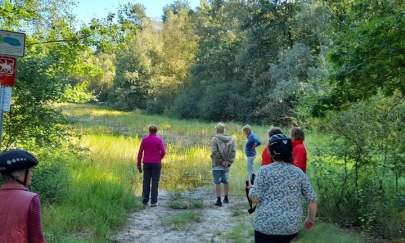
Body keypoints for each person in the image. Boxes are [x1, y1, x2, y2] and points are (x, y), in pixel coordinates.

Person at [248, 134, 318, 243]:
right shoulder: (298, 173)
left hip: (265, 225)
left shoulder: (264, 171)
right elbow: (313, 200)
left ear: (270, 152)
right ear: (290, 151)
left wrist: (250, 189)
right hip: (290, 227)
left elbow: (255, 198)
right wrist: (310, 220)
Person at [0, 149, 46, 243]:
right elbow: (36, 238)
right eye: (29, 171)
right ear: (18, 175)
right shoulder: (31, 199)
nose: (31, 174)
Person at [137, 124, 166, 207]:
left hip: (146, 163)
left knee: (146, 182)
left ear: (149, 131)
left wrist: (139, 164)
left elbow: (140, 153)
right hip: (156, 164)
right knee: (155, 182)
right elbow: (163, 152)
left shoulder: (144, 140)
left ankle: (145, 201)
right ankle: (154, 202)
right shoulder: (159, 140)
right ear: (156, 131)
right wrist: (158, 158)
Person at [210, 122, 236, 206]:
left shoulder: (215, 139)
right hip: (227, 165)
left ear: (217, 130)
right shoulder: (230, 139)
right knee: (225, 181)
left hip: (217, 164)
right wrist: (229, 162)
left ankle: (218, 201)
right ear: (224, 130)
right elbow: (233, 152)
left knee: (217, 182)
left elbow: (215, 152)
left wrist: (221, 162)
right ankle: (226, 198)